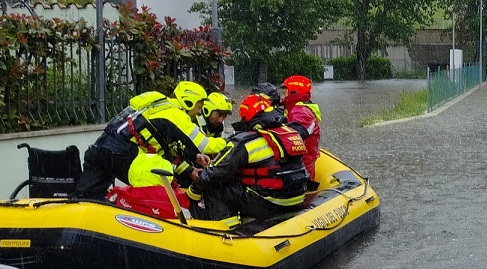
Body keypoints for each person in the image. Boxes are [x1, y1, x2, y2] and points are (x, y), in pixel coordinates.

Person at [74, 81, 226, 198]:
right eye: (198, 107)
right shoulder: (175, 114)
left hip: (100, 147)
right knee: (154, 186)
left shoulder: (157, 105)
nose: (198, 113)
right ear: (189, 102)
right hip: (124, 153)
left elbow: (164, 152)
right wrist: (232, 142)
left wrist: (192, 164)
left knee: (86, 196)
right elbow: (206, 145)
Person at [186, 94, 311, 223]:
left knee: (215, 187)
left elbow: (216, 172)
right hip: (297, 197)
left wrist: (193, 191)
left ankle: (230, 230)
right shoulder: (289, 132)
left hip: (269, 203)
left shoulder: (245, 142)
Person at [281, 74, 321, 185]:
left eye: (285, 93)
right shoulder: (294, 109)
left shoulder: (301, 113)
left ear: (294, 93)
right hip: (300, 169)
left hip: (301, 172)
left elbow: (289, 140)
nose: (282, 97)